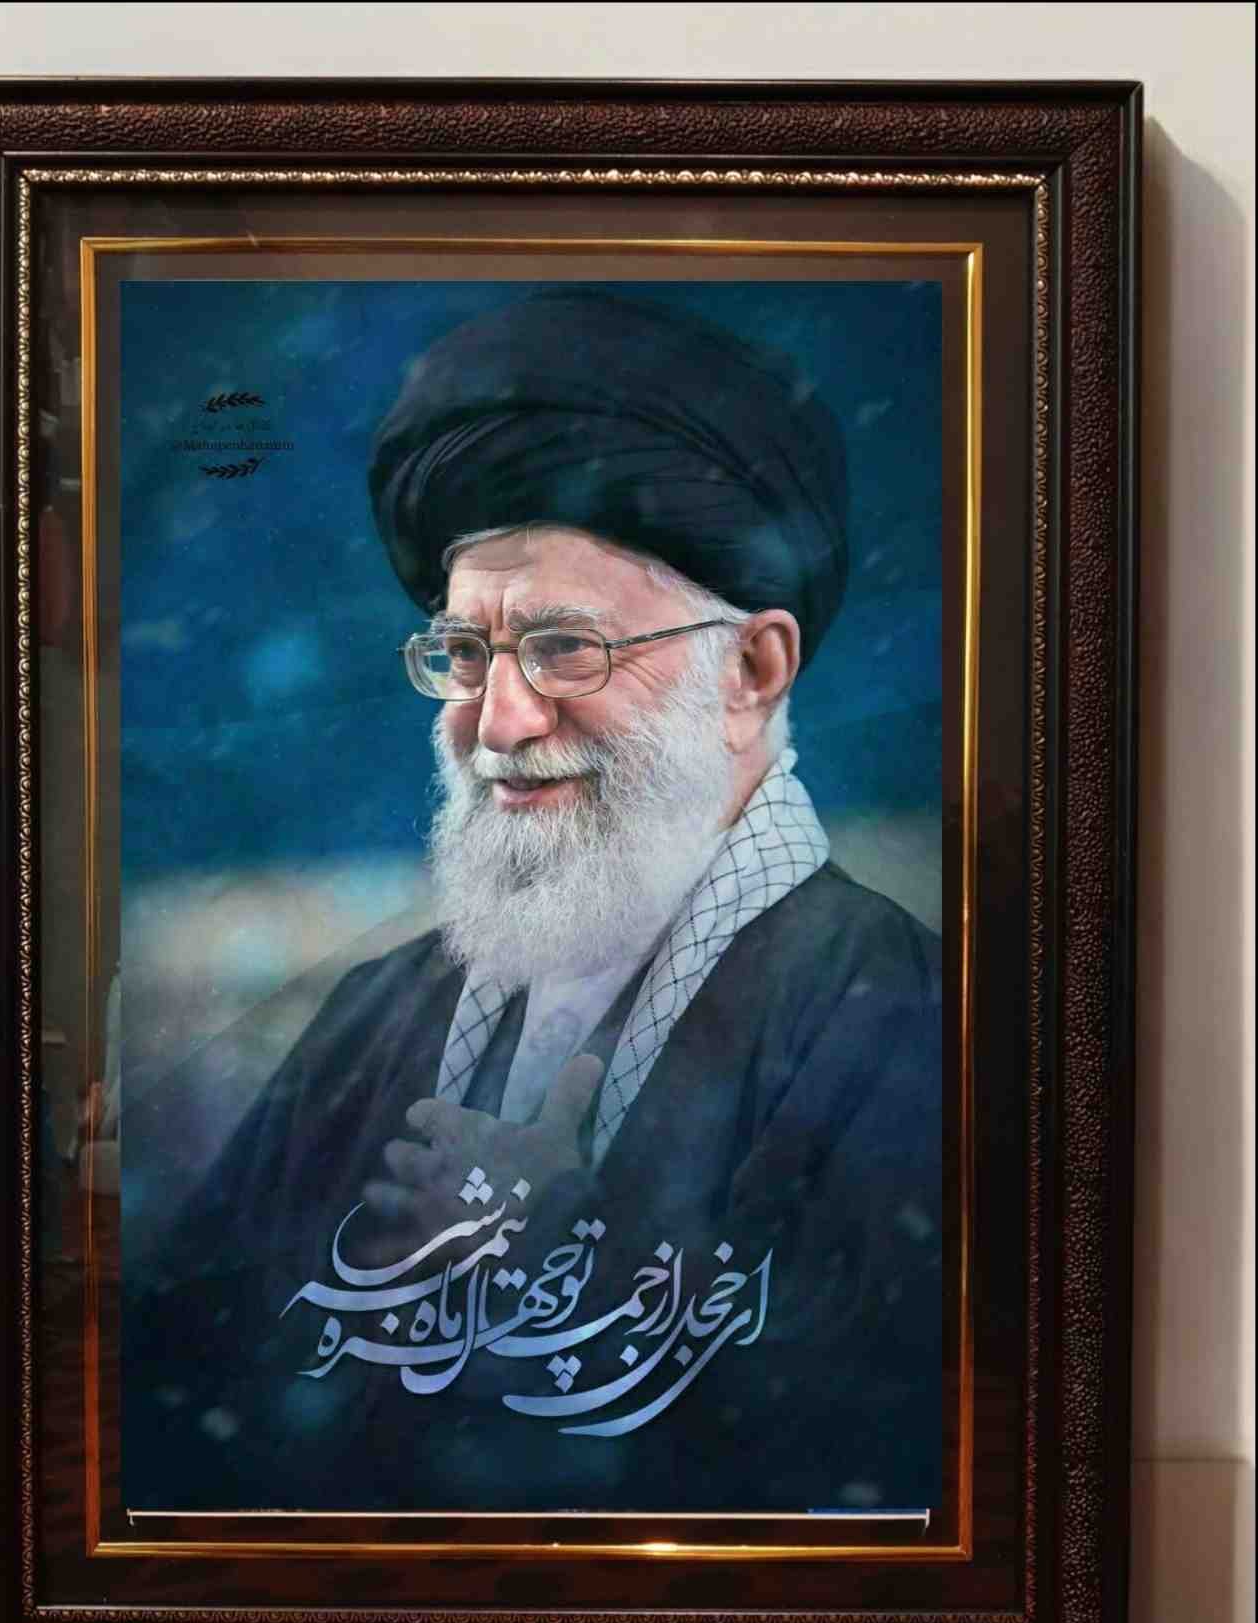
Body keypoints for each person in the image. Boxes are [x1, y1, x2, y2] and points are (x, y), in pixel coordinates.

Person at [124, 291, 942, 1516]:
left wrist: (575, 1245)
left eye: (565, 647)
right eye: (465, 655)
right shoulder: (377, 1018)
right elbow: (172, 1415)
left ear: (751, 669)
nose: (499, 720)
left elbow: (892, 1469)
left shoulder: (898, 1017)